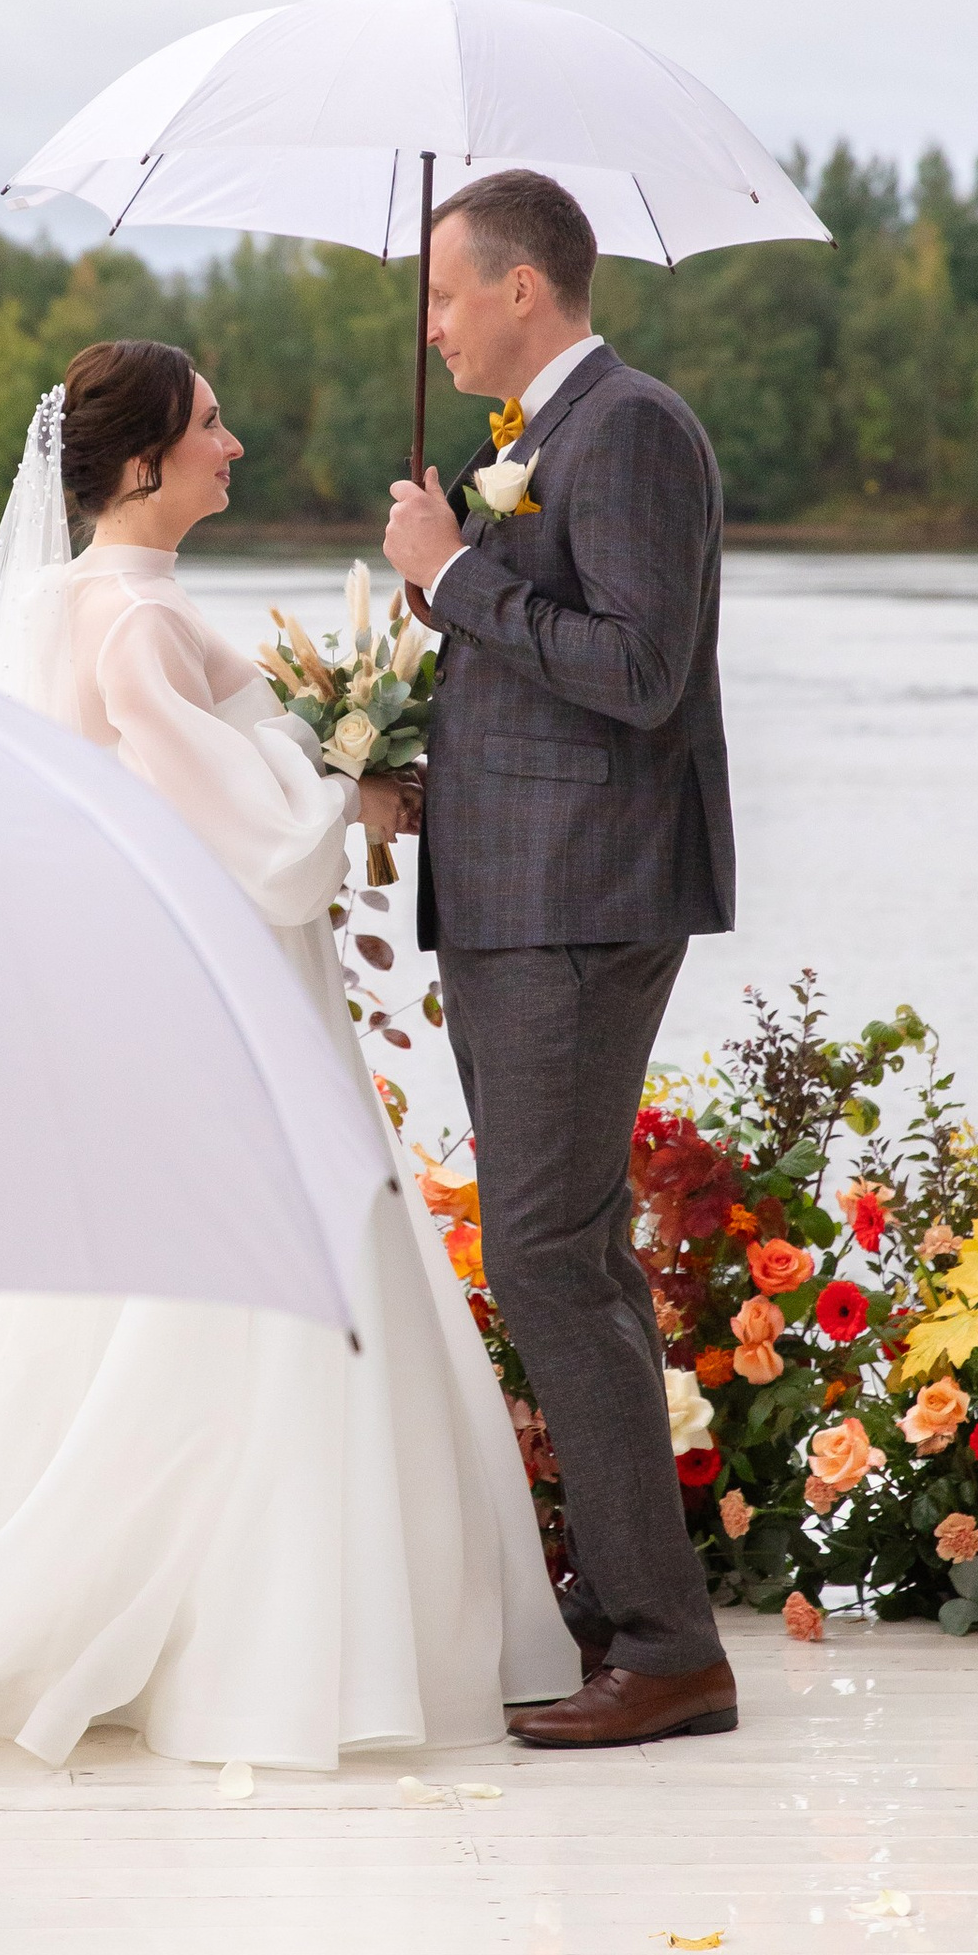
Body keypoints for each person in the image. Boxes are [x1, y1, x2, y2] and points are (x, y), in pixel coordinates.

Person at [0, 338, 578, 1776]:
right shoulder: (130, 630)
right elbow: (258, 851)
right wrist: (351, 781)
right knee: (265, 1307)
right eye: (212, 423)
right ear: (142, 463)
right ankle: (264, 1642)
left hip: (204, 999)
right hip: (225, 1006)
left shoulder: (106, 603)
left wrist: (347, 756)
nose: (235, 443)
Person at [382, 164, 740, 1750]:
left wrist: (458, 579)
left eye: (448, 294)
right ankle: (631, 1614)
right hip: (520, 898)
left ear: (524, 287)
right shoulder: (530, 446)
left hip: (581, 902)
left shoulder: (633, 427)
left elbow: (646, 671)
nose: (438, 325)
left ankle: (667, 1649)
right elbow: (543, 658)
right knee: (570, 1252)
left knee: (540, 1252)